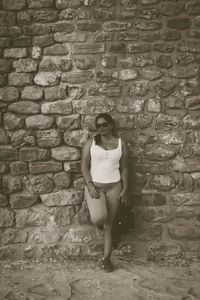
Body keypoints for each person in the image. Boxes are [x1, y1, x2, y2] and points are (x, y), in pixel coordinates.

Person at [81, 113, 128, 272]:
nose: (101, 128)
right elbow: (84, 166)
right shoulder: (91, 143)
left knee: (109, 225)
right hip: (96, 188)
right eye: (98, 126)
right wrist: (90, 185)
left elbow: (124, 168)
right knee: (99, 218)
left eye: (104, 125)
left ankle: (106, 259)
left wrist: (125, 189)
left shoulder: (121, 143)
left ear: (111, 125)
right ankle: (101, 215)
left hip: (115, 187)